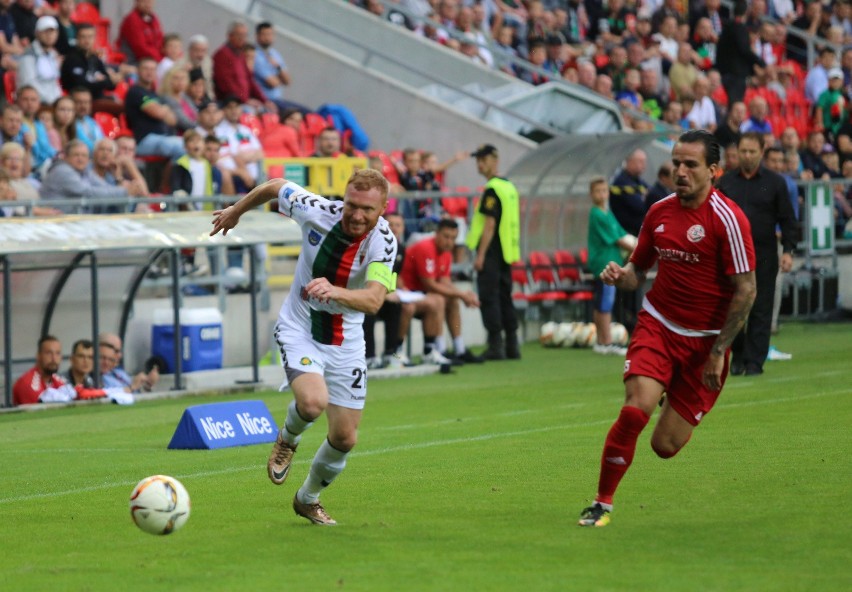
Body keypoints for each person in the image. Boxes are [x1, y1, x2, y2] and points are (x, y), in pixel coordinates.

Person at [577, 130, 757, 528]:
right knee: (634, 410)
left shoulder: (728, 220)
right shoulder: (659, 212)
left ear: (714, 171)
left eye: (690, 164)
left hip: (705, 345)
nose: (680, 171)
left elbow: (746, 290)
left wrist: (717, 353)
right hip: (658, 326)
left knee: (665, 445)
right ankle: (601, 504)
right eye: (676, 162)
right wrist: (618, 275)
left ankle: (672, 389)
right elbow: (636, 273)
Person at [210, 169, 398, 526]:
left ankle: (307, 499)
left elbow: (374, 301)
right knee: (312, 403)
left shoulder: (384, 242)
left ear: (383, 208)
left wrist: (335, 291)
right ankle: (287, 438)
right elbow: (276, 186)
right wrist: (236, 210)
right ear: (344, 198)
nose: (357, 215)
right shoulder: (317, 210)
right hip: (300, 328)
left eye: (368, 210)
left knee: (345, 437)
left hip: (347, 340)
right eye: (352, 205)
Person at [715, 132, 796, 377]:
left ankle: (754, 362)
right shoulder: (726, 183)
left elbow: (788, 220)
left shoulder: (775, 183)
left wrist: (789, 250)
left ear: (762, 152)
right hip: (730, 256)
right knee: (734, 306)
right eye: (743, 151)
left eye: (752, 151)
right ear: (736, 152)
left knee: (761, 306)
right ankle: (737, 356)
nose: (747, 156)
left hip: (764, 254)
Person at [400, 218, 483, 365]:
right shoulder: (425, 248)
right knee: (439, 299)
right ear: (436, 233)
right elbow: (430, 285)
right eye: (446, 236)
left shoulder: (446, 253)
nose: (449, 242)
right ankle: (439, 350)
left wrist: (463, 295)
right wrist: (462, 294)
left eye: (453, 238)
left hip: (422, 294)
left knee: (452, 300)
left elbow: (445, 282)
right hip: (407, 293)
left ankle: (460, 349)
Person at [466, 144, 521, 361]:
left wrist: (480, 255)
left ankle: (496, 345)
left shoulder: (492, 189)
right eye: (478, 160)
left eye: (483, 159)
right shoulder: (508, 187)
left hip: (491, 251)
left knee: (489, 297)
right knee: (505, 297)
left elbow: (489, 223)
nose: (480, 164)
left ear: (494, 160)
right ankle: (512, 346)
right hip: (506, 251)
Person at [587, 176, 636, 356]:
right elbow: (618, 239)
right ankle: (605, 342)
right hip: (604, 263)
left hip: (610, 261)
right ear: (591, 194)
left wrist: (635, 243)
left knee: (603, 301)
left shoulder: (607, 212)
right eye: (598, 191)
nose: (602, 194)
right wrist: (640, 247)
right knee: (605, 303)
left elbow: (621, 232)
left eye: (604, 190)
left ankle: (602, 341)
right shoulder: (597, 214)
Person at [362, 212, 409, 369]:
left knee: (396, 306)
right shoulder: (372, 245)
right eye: (391, 224)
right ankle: (369, 357)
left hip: (383, 295)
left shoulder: (401, 249)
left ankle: (391, 354)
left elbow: (393, 277)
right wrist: (382, 294)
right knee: (368, 309)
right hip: (364, 293)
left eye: (398, 225)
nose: (394, 228)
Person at [124, 57, 185, 160]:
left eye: (152, 69)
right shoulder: (135, 92)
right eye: (146, 69)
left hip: (163, 138)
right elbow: (158, 113)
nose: (149, 72)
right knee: (183, 146)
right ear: (138, 71)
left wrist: (162, 109)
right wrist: (165, 108)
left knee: (193, 145)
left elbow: (173, 120)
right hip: (144, 140)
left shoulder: (154, 94)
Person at [212, 21, 275, 113]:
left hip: (244, 100)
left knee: (270, 111)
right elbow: (226, 85)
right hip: (229, 103)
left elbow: (250, 80)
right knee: (251, 112)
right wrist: (245, 100)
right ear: (230, 36)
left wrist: (265, 100)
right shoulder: (222, 54)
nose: (243, 38)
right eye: (239, 35)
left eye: (245, 35)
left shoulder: (240, 55)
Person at [715, 0, 765, 106]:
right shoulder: (739, 28)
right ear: (746, 12)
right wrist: (761, 62)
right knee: (735, 104)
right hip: (735, 75)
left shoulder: (727, 27)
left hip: (725, 72)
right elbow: (744, 50)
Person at [17, 15, 62, 105]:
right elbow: (29, 84)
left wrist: (59, 100)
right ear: (37, 33)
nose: (49, 35)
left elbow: (54, 82)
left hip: (52, 103)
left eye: (52, 32)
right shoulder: (28, 55)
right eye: (45, 32)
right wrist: (51, 101)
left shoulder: (52, 55)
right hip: (35, 103)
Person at [609, 149, 648, 238]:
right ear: (630, 161)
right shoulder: (621, 181)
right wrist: (645, 197)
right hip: (626, 233)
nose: (644, 165)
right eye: (640, 161)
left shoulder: (637, 180)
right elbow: (640, 206)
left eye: (645, 162)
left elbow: (652, 195)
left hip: (637, 233)